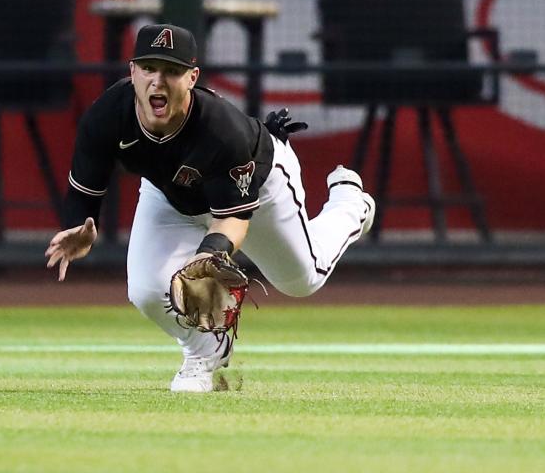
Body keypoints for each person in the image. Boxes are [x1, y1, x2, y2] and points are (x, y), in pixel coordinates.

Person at [43, 23, 375, 392]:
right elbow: (84, 191)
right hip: (169, 195)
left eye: (171, 70)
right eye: (149, 68)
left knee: (302, 279)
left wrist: (207, 257)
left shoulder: (220, 130)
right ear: (132, 71)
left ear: (192, 77)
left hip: (259, 189)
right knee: (146, 290)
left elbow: (232, 216)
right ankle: (206, 351)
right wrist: (79, 225)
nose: (158, 80)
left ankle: (349, 205)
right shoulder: (107, 116)